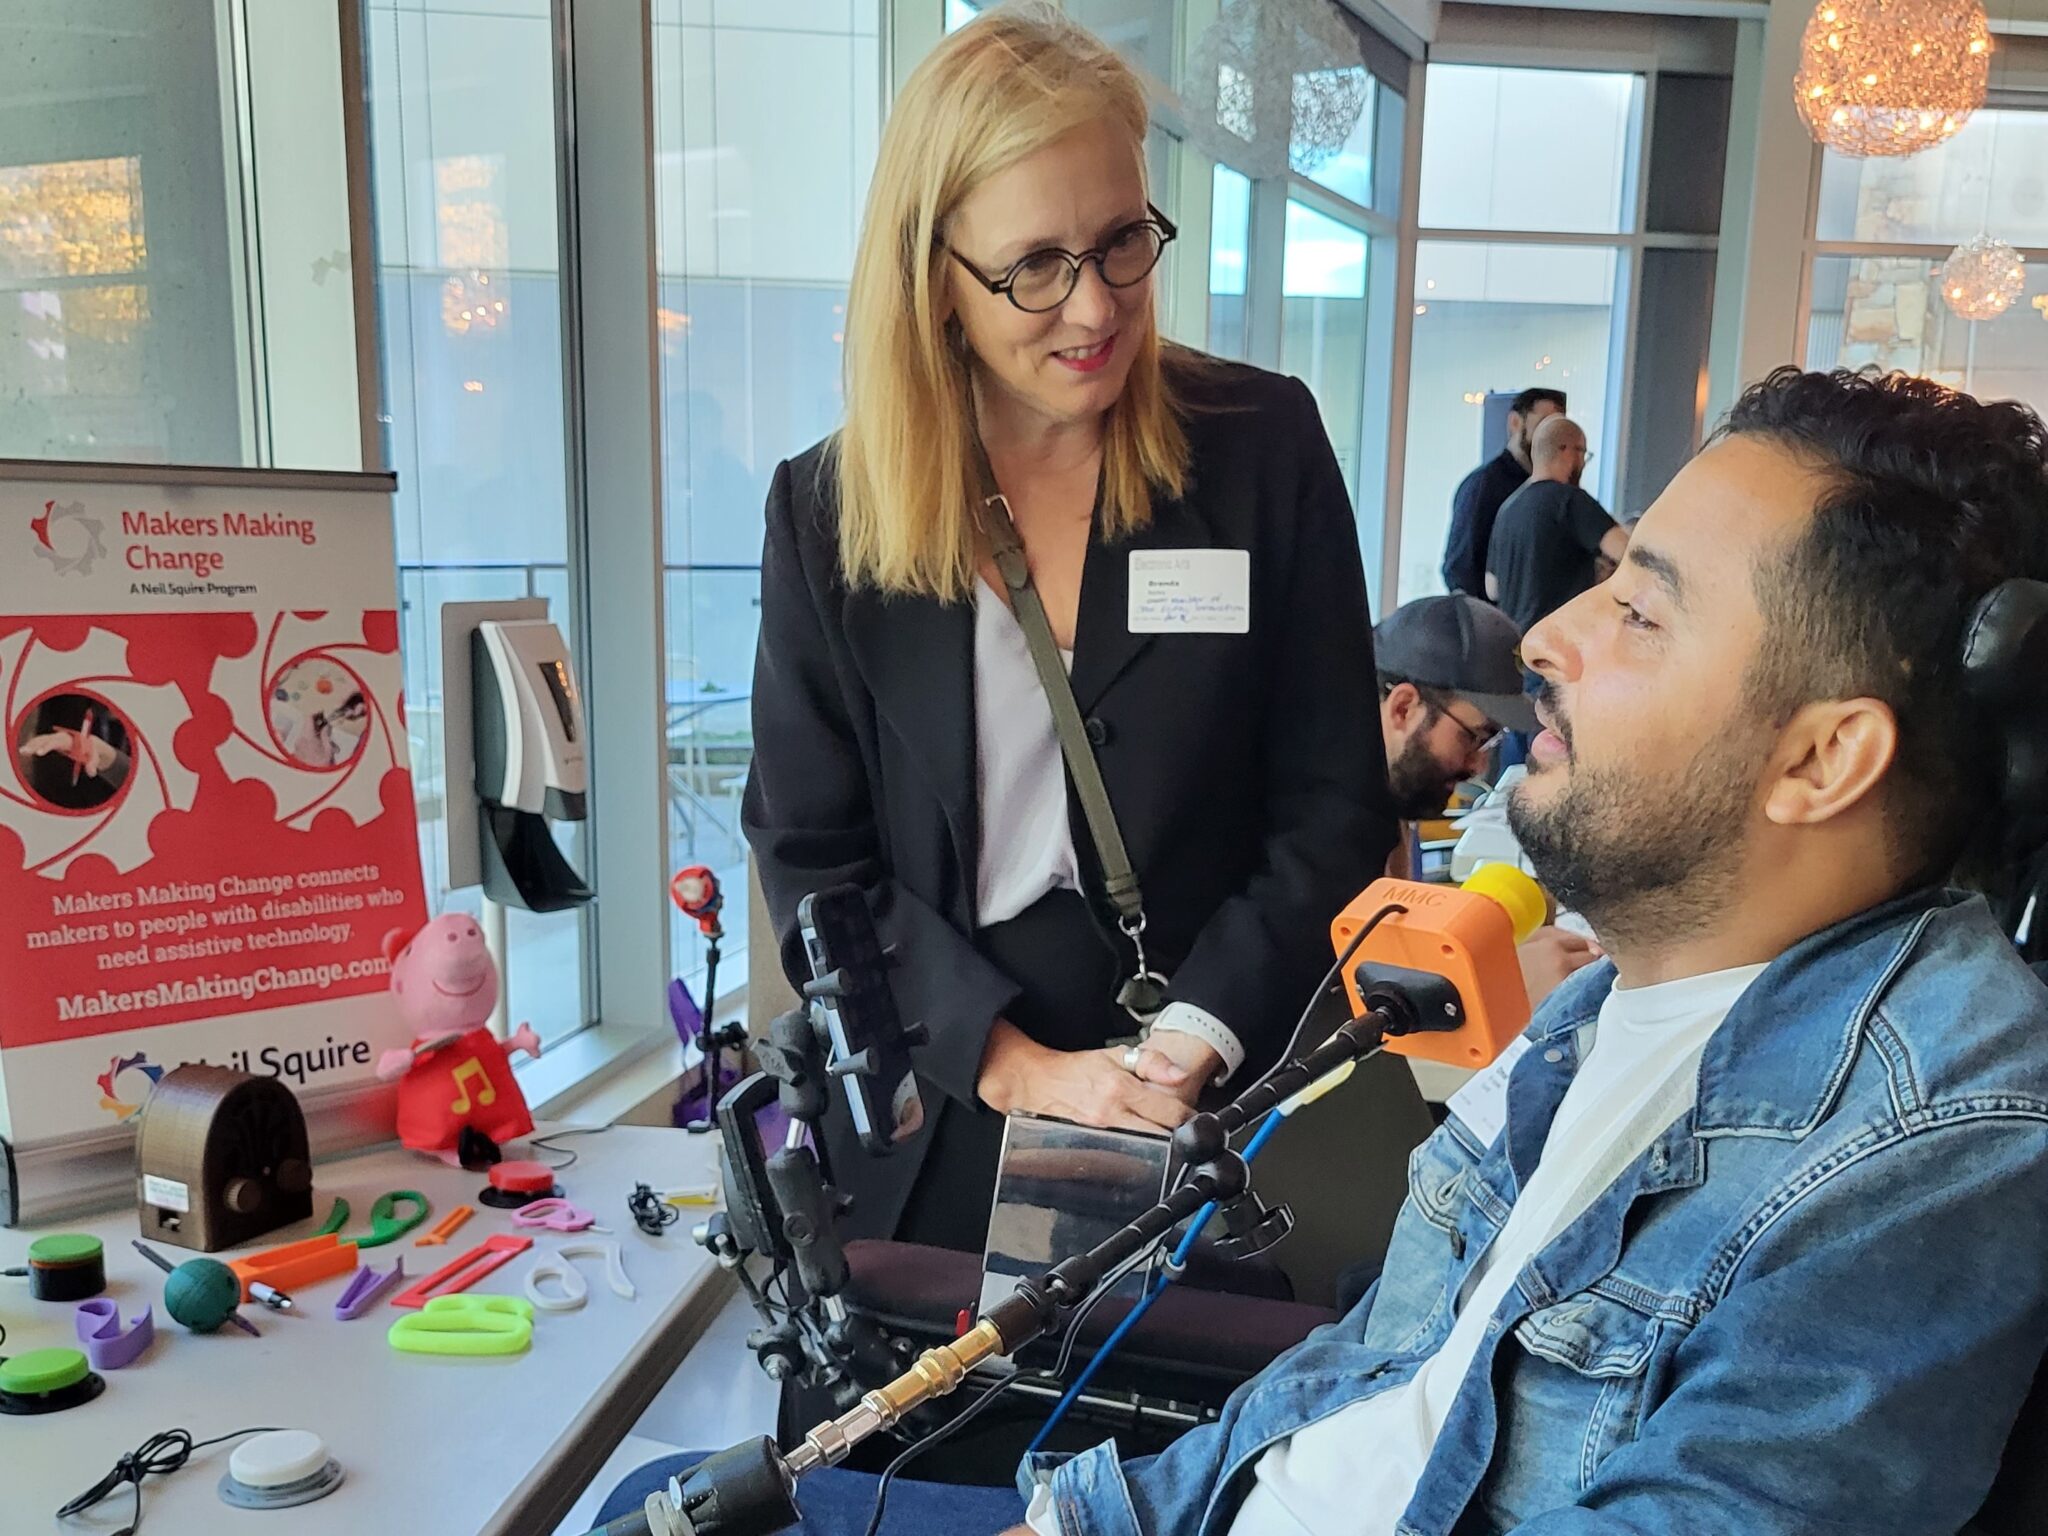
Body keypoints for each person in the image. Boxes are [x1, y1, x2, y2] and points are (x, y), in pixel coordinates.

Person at [603, 368, 2048, 1534]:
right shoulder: (1603, 1014)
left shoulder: (1940, 1148)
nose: (1545, 635)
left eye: (1641, 612)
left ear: (1825, 758)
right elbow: (1352, 1395)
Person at [741, 5, 1395, 1255]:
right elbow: (811, 853)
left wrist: (1193, 1035)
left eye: (1120, 243)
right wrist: (1006, 1063)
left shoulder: (1259, 448)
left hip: (1215, 1081)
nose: (1094, 308)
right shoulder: (826, 512)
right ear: (935, 276)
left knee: (1186, 1434)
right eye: (1034, 266)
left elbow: (1332, 805)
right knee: (932, 1440)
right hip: (938, 1097)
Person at [1373, 594, 1599, 1008]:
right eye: (1472, 735)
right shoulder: (1312, 832)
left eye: (1491, 741)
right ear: (1403, 708)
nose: (1478, 765)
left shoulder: (1390, 805)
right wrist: (1488, 992)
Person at [1485, 414, 1628, 635]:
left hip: (1514, 652)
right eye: (1583, 454)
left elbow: (1492, 588)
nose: (1582, 464)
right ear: (1567, 451)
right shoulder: (1571, 501)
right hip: (1557, 648)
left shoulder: (1507, 510)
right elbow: (1627, 553)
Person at [1439, 386, 1565, 598]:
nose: (1550, 437)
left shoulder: (1554, 490)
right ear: (1515, 423)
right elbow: (1461, 570)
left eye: (1556, 429)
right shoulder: (1483, 486)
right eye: (1543, 424)